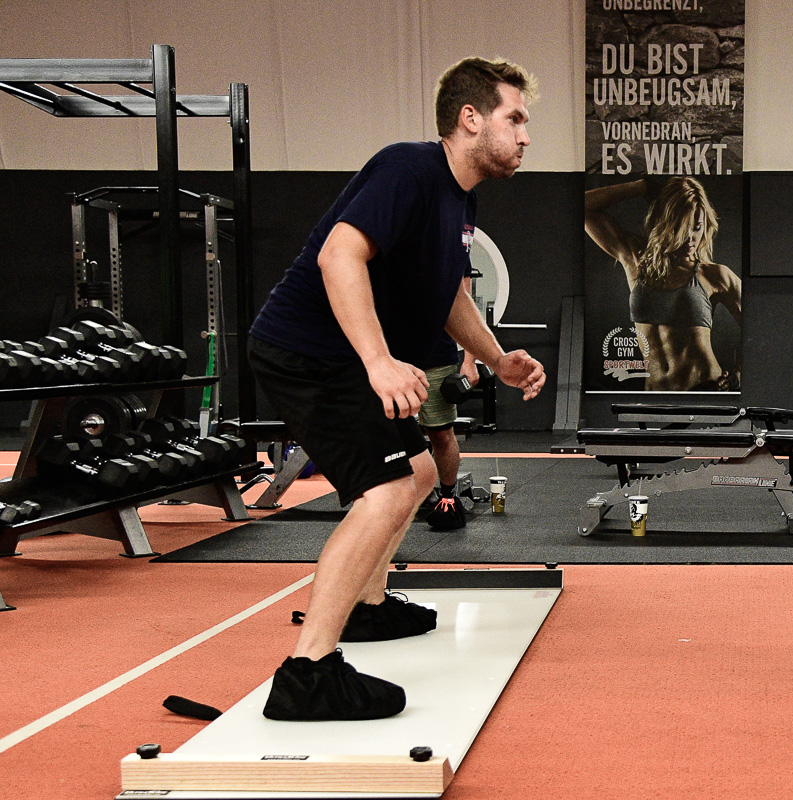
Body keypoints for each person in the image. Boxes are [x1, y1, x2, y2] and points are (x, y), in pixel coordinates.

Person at [246, 57, 546, 721]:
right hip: (307, 352)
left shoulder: (459, 197)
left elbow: (449, 294)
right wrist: (379, 361)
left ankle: (368, 607)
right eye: (515, 118)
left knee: (414, 473)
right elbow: (337, 255)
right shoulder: (407, 168)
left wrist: (496, 359)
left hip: (335, 357)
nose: (526, 136)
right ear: (471, 118)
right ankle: (308, 673)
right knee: (383, 491)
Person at [585, 176, 742, 391]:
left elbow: (760, 326)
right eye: (682, 227)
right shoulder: (635, 259)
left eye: (697, 227)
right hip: (655, 397)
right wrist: (642, 187)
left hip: (705, 392)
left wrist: (738, 374)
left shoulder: (715, 275)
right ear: (665, 223)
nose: (691, 238)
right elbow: (584, 208)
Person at [416, 319, 480, 531]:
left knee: (441, 435)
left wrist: (470, 361)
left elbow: (465, 306)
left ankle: (448, 499)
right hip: (389, 358)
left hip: (437, 358)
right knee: (389, 433)